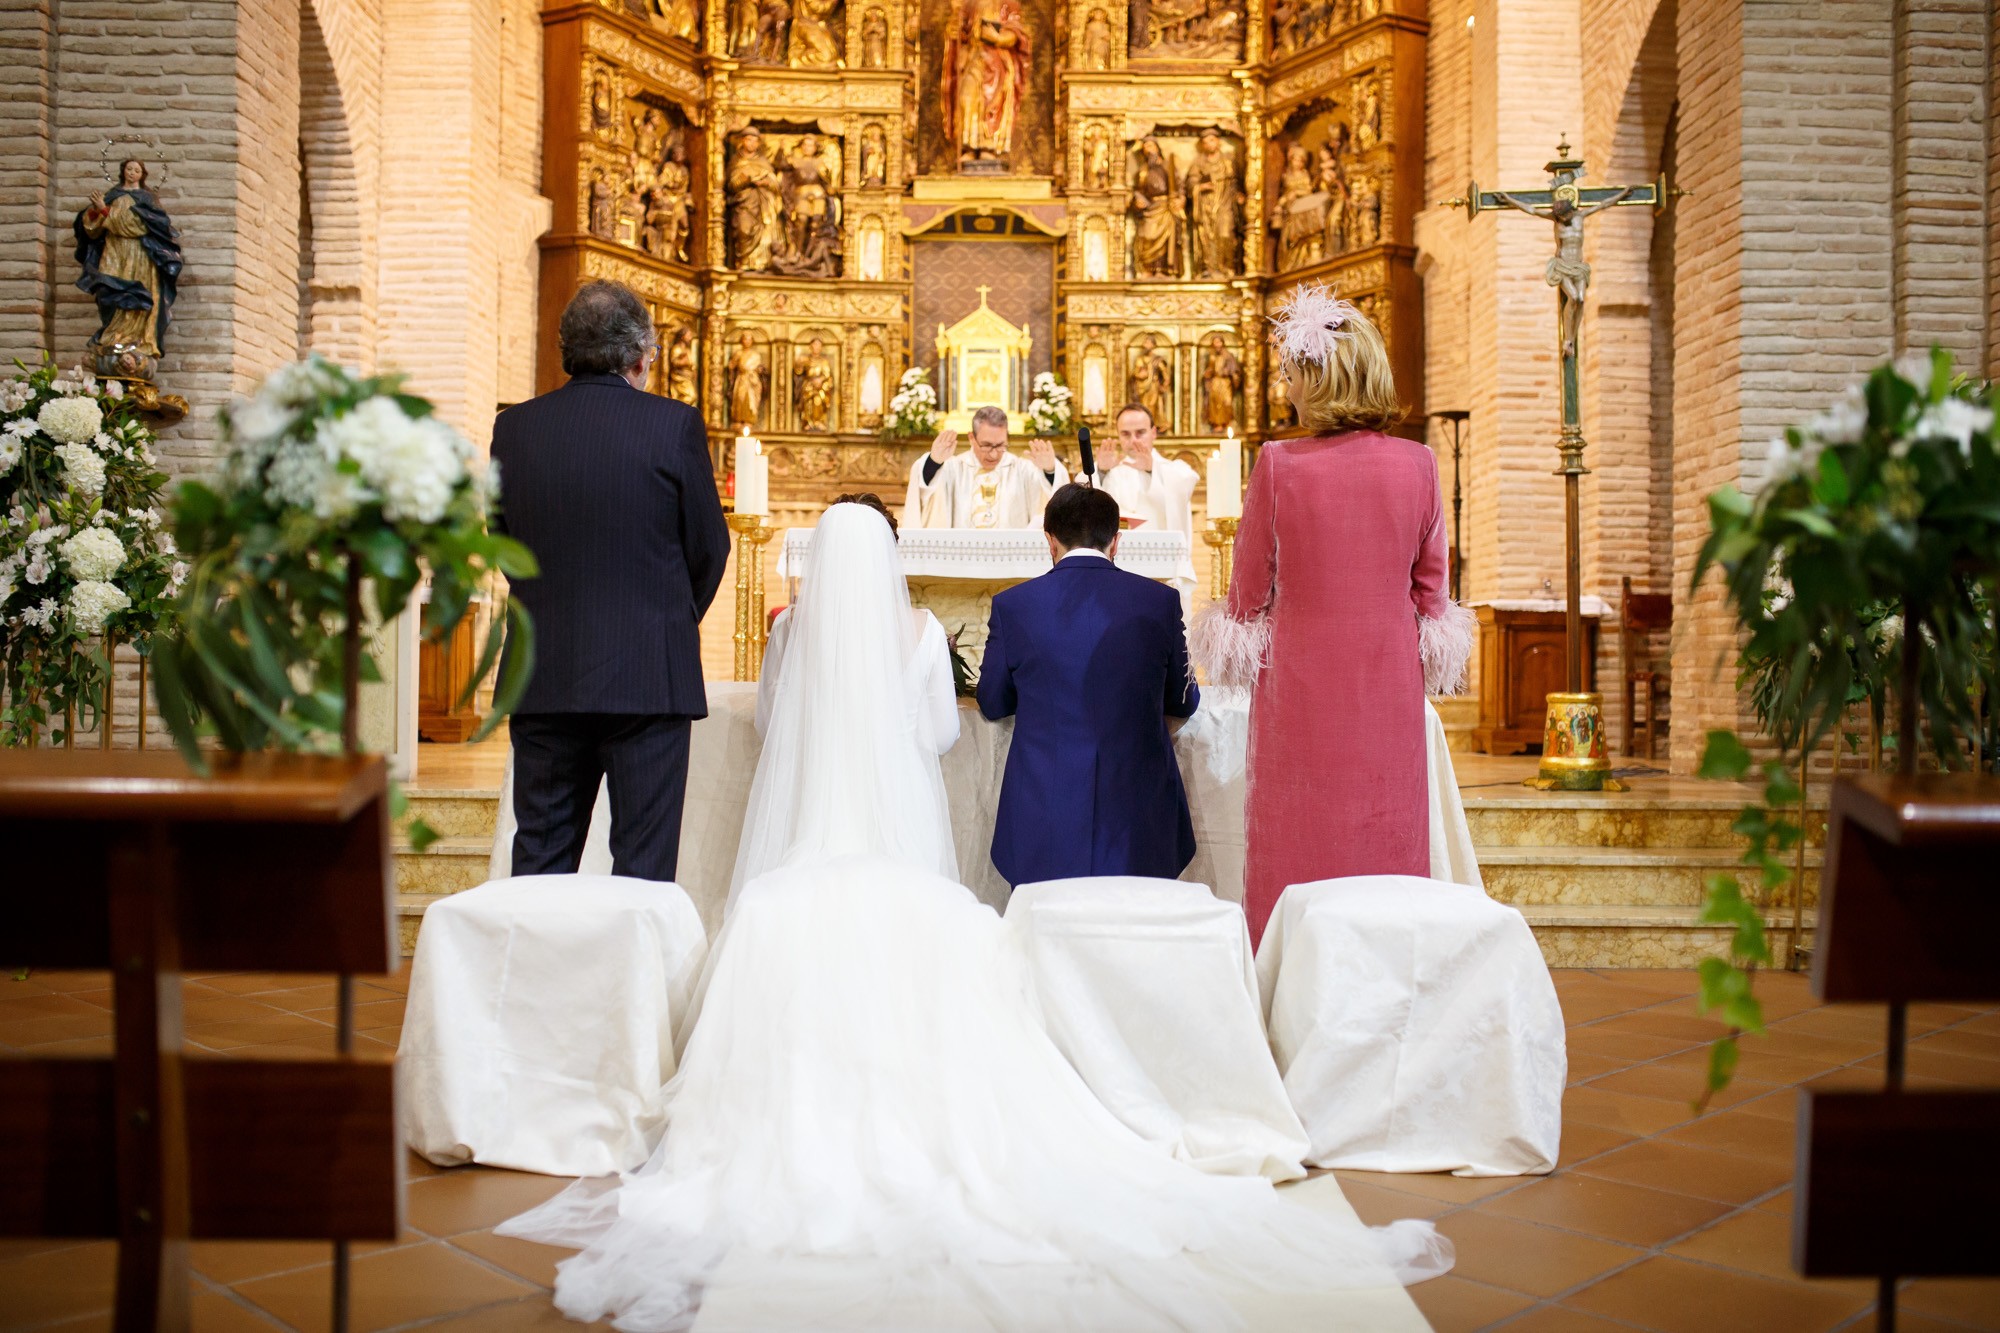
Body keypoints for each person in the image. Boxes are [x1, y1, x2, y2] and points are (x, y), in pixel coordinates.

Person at [499, 499, 1450, 1330]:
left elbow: (768, 725)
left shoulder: (788, 637)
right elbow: (949, 731)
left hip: (800, 860)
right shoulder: (921, 634)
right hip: (913, 857)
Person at [1191, 284, 1472, 945]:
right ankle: (1384, 963)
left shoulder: (1278, 464)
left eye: (1292, 372)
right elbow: (1432, 592)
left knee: (1298, 831)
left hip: (1302, 684)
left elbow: (1247, 597)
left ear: (1317, 378)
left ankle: (1290, 969)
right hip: (1386, 681)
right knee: (1383, 827)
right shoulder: (1421, 464)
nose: (1286, 386)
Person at [491, 281, 731, 883]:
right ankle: (633, 981)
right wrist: (666, 617)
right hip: (649, 678)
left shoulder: (515, 429)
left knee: (541, 858)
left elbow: (502, 542)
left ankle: (540, 978)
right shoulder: (673, 425)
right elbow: (709, 545)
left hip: (544, 673)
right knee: (642, 868)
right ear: (641, 354)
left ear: (565, 350)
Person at [978, 484, 1198, 886]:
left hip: (1044, 808)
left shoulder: (1013, 604)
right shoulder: (1160, 601)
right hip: (1139, 811)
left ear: (1049, 539)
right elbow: (1184, 700)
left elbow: (993, 702)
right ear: (1117, 540)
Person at [902, 403, 1068, 528]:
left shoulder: (1023, 470)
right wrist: (934, 461)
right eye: (987, 445)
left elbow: (1052, 499)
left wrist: (1050, 470)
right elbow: (925, 490)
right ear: (971, 438)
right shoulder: (954, 468)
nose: (994, 453)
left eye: (1001, 445)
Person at [1096, 402, 1199, 536]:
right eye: (1125, 434)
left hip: (1161, 553)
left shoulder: (1173, 470)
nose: (1133, 440)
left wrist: (1151, 470)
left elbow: (1188, 480)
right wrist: (1102, 472)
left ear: (1153, 433)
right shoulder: (1108, 469)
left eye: (1140, 433)